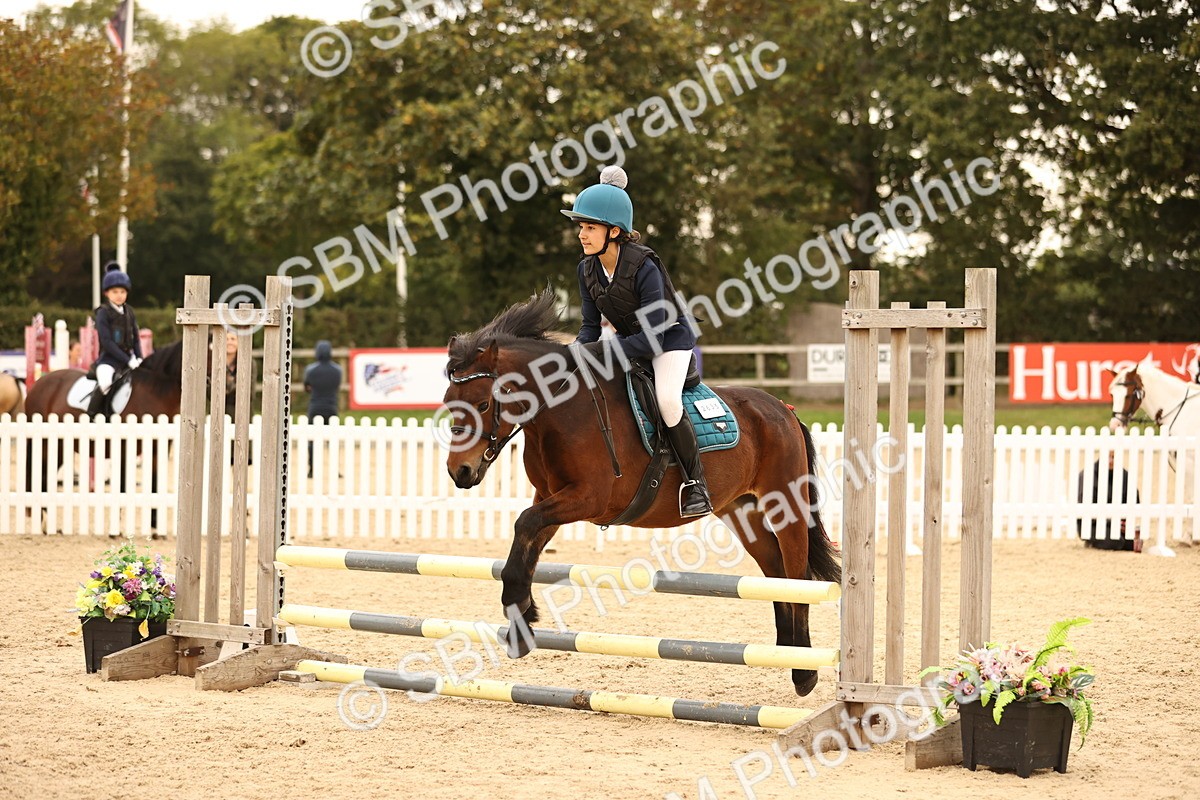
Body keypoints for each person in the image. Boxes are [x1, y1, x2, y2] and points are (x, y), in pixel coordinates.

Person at [562, 165, 711, 518]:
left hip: (668, 341)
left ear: (614, 231)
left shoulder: (644, 266)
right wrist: (579, 356)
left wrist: (603, 352)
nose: (582, 234)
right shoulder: (587, 269)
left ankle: (696, 484)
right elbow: (588, 327)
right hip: (629, 340)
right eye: (581, 227)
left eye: (590, 227)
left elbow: (653, 338)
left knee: (667, 402)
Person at [86, 263, 142, 419]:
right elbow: (107, 342)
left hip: (128, 360)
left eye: (122, 291)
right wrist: (128, 359)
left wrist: (139, 357)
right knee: (105, 384)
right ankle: (91, 417)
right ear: (107, 293)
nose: (119, 295)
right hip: (108, 361)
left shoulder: (129, 312)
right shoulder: (103, 313)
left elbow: (135, 338)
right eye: (115, 291)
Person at [1076, 451, 1142, 552]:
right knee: (1116, 541)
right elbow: (1087, 512)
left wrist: (1124, 523)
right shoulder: (1087, 475)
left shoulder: (1125, 476)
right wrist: (1112, 522)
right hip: (1092, 524)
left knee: (1130, 543)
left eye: (1114, 457)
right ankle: (1091, 542)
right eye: (1108, 457)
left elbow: (1134, 503)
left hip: (1117, 525)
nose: (1110, 461)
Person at [304, 340, 342, 477]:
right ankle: (335, 470)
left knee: (312, 440)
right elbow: (337, 387)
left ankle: (312, 469)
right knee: (332, 440)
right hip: (332, 406)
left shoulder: (310, 370)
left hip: (315, 406)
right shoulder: (337, 370)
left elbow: (307, 387)